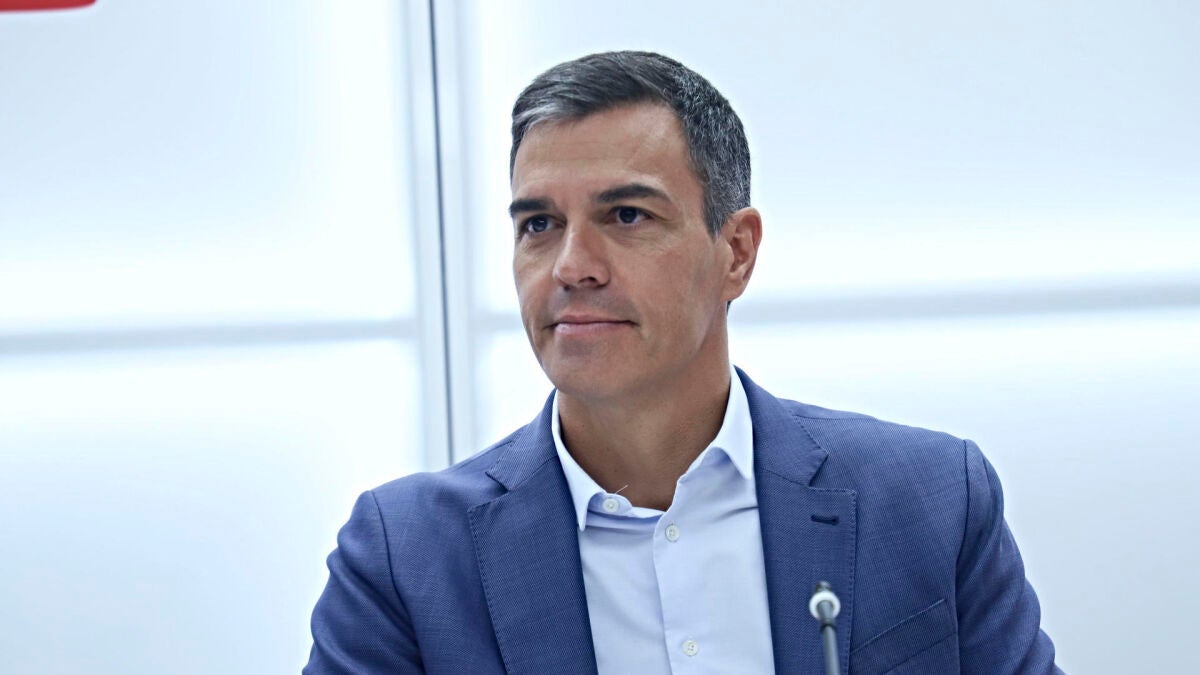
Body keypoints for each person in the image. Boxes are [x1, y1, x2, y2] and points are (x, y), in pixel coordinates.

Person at [305, 51, 1060, 674]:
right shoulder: (405, 557)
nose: (571, 265)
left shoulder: (930, 501)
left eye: (626, 215)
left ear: (736, 252)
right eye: (539, 224)